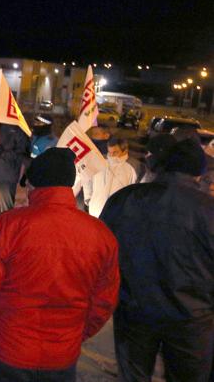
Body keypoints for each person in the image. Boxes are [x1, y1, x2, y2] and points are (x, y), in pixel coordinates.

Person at [0, 148, 119, 382]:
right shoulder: (101, 235)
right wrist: (74, 336)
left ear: (33, 185)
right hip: (61, 357)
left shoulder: (7, 227)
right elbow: (104, 301)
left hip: (2, 349)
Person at [100, 138, 213, 382]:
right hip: (192, 319)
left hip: (134, 310)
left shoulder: (125, 199)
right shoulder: (207, 209)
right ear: (198, 172)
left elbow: (100, 252)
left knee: (134, 375)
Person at [0, 124, 30, 222]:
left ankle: (3, 227)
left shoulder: (19, 132)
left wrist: (3, 153)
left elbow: (23, 153)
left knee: (5, 206)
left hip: (7, 175)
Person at [85, 136, 137, 217]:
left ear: (125, 151)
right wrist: (88, 199)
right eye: (109, 152)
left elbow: (134, 192)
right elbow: (88, 178)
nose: (111, 156)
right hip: (95, 211)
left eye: (115, 152)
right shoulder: (100, 161)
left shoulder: (132, 168)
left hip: (116, 215)